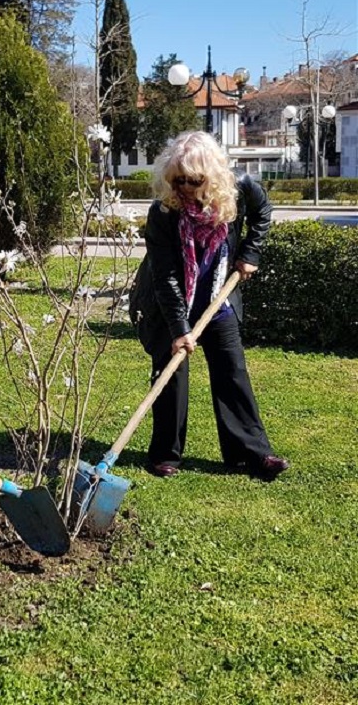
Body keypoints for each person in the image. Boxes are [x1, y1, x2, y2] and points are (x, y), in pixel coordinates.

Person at [129, 130, 289, 482]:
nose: (184, 187)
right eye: (178, 179)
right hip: (169, 303)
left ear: (212, 177)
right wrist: (179, 330)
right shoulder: (163, 212)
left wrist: (250, 253)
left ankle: (252, 453)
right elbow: (165, 276)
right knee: (172, 375)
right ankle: (165, 453)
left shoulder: (240, 189)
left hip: (219, 298)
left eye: (193, 179)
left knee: (232, 371)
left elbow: (263, 212)